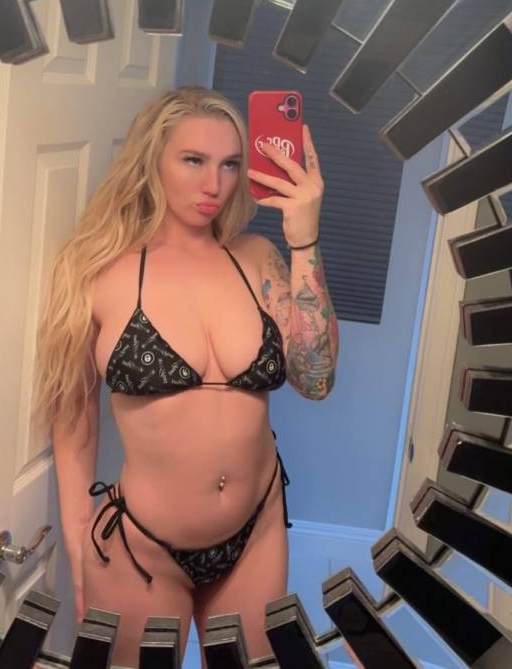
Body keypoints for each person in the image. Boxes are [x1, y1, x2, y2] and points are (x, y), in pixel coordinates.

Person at [33, 86, 339, 668]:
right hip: (141, 548)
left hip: (256, 531)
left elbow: (315, 378)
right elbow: (74, 415)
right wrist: (76, 537)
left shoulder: (256, 257)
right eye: (194, 160)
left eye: (230, 164)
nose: (214, 185)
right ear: (153, 160)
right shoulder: (97, 272)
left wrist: (304, 238)